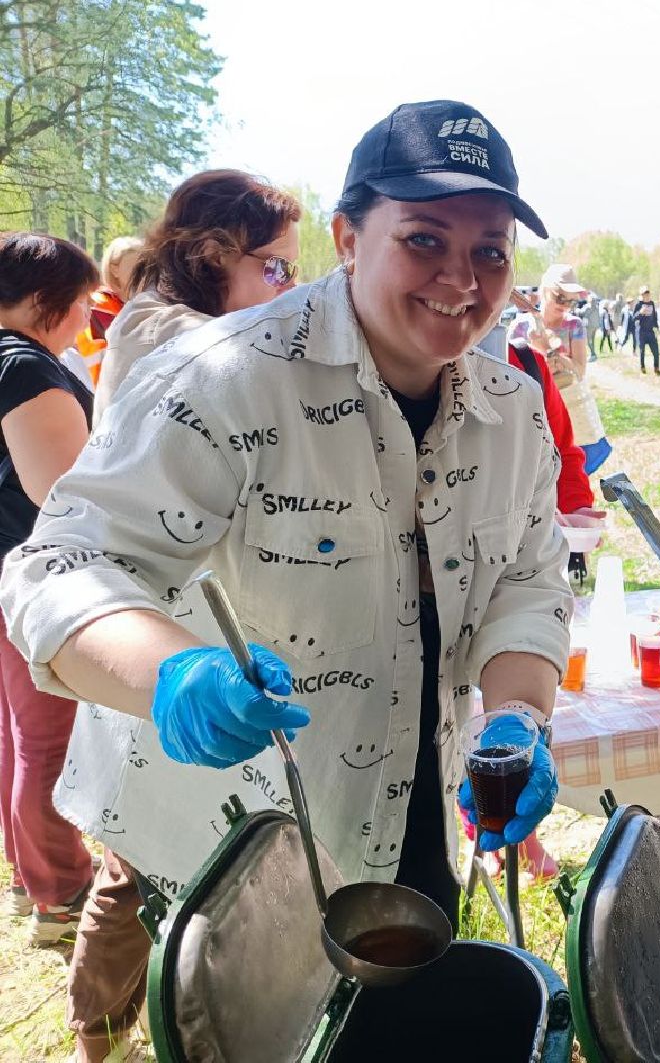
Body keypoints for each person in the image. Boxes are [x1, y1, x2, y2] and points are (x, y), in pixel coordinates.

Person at [0, 100, 571, 1061]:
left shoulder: (511, 406)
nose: (460, 281)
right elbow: (61, 564)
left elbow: (529, 577)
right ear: (347, 236)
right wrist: (170, 675)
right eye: (424, 239)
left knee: (405, 1028)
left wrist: (516, 716)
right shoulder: (222, 378)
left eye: (491, 252)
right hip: (241, 827)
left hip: (416, 789)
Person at [0, 233, 99, 947]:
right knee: (47, 738)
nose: (88, 323)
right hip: (28, 577)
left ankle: (27, 865)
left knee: (17, 735)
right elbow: (61, 492)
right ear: (43, 301)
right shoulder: (26, 369)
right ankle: (60, 891)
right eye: (82, 306)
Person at [92, 170, 302, 417]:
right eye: (277, 267)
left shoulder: (155, 315)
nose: (290, 285)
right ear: (214, 255)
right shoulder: (162, 332)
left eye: (291, 269)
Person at [513, 264, 613, 475]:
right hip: (532, 408)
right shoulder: (520, 326)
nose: (565, 305)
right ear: (544, 291)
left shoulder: (574, 325)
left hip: (568, 409)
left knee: (570, 469)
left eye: (571, 300)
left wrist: (547, 351)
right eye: (560, 297)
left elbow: (579, 370)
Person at [74, 236, 143, 387]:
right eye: (136, 267)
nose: (142, 273)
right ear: (114, 269)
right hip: (100, 392)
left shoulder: (137, 304)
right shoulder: (98, 306)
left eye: (145, 266)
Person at [628, 285, 660, 373]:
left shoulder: (652, 303)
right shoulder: (638, 304)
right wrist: (640, 312)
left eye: (648, 294)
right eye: (645, 294)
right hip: (641, 331)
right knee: (642, 351)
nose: (647, 296)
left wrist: (657, 328)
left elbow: (654, 317)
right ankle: (642, 368)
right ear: (642, 296)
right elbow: (634, 318)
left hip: (650, 331)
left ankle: (656, 368)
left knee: (656, 350)